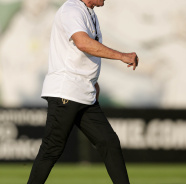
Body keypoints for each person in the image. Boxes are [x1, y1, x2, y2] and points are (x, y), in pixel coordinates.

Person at [27, 0, 138, 183]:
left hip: (84, 93)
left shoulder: (89, 12)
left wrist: (93, 81)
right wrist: (122, 56)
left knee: (108, 142)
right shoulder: (71, 9)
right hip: (66, 91)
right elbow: (82, 43)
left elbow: (83, 52)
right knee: (51, 149)